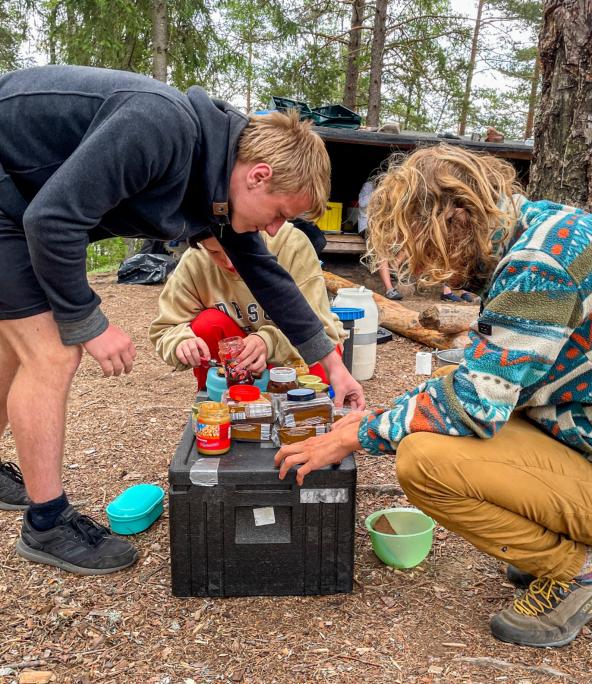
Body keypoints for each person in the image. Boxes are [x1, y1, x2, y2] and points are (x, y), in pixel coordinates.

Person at [275, 144, 592, 648]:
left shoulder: (540, 263)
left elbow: (476, 402)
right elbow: (489, 378)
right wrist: (387, 417)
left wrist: (361, 433)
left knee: (423, 460)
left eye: (428, 249)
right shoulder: (547, 227)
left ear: (458, 215)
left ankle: (583, 569)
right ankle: (573, 542)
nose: (433, 271)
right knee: (434, 429)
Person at [0, 64, 364, 575]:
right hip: (12, 204)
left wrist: (334, 367)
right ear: (258, 175)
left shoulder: (217, 175)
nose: (277, 228)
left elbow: (266, 274)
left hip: (23, 203)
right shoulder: (159, 126)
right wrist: (90, 321)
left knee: (15, 345)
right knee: (52, 352)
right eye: (281, 212)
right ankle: (47, 523)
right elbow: (51, 220)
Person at [149, 222, 345, 388]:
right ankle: (218, 402)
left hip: (294, 352)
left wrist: (268, 342)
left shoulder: (290, 244)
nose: (228, 262)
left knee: (322, 371)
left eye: (234, 249)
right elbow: (166, 328)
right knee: (207, 325)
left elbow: (323, 331)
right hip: (238, 360)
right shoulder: (196, 258)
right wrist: (180, 343)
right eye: (215, 252)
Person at [358, 180, 402, 300]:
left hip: (386, 229)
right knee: (380, 248)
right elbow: (362, 203)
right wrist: (380, 192)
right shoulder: (369, 186)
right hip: (368, 226)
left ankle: (393, 265)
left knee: (411, 240)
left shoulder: (395, 187)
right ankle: (389, 289)